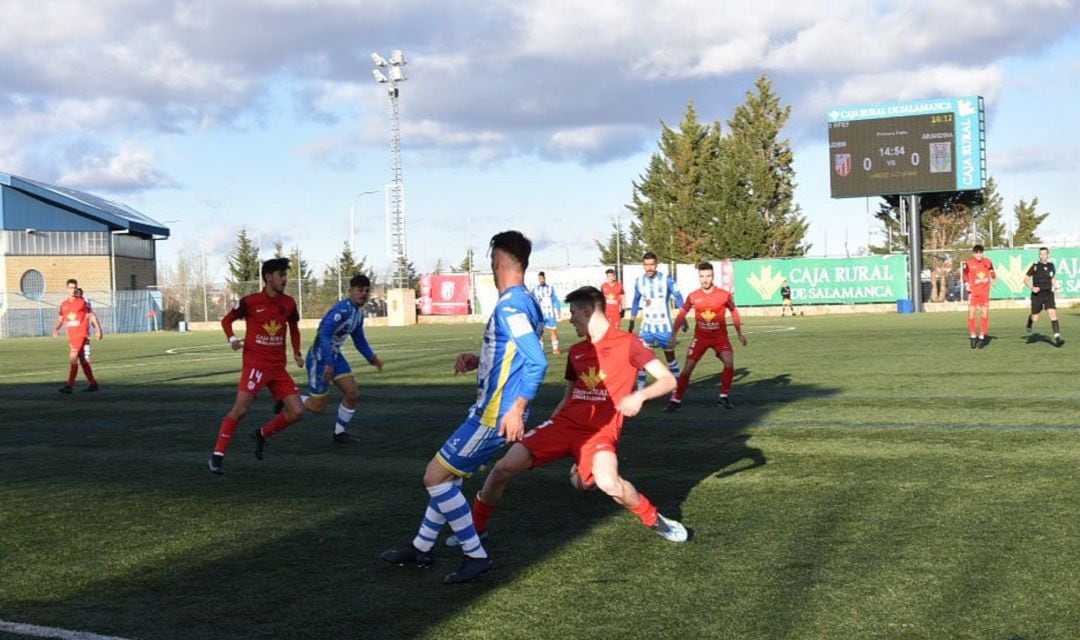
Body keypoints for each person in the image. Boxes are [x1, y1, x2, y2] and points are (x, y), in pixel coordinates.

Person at [451, 285, 687, 549]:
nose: (570, 318)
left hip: (600, 431)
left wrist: (640, 396)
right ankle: (475, 530)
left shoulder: (628, 343)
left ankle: (655, 520)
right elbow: (568, 397)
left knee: (609, 483)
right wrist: (548, 426)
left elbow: (669, 380)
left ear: (588, 311)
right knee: (502, 468)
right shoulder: (576, 352)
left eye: (574, 312)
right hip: (563, 425)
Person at [380, 231, 548, 585]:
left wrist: (517, 409)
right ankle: (422, 546)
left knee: (434, 476)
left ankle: (476, 556)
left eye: (491, 259)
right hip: (493, 409)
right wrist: (479, 360)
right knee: (448, 477)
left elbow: (537, 361)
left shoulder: (511, 305)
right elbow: (516, 355)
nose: (490, 264)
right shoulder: (526, 302)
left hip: (494, 415)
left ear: (500, 260)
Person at [208, 258, 305, 475]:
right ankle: (217, 456)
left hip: (278, 368)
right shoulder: (250, 302)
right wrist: (232, 339)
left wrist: (297, 352)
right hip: (256, 364)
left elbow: (294, 328)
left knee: (297, 411)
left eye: (285, 275)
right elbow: (226, 321)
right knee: (240, 409)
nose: (285, 279)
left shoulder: (289, 303)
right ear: (268, 277)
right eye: (281, 275)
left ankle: (262, 434)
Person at [297, 273, 384, 443]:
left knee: (352, 393)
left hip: (335, 356)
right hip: (320, 358)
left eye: (366, 290)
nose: (363, 294)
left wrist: (372, 359)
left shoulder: (358, 313)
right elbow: (323, 335)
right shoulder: (342, 310)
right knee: (317, 407)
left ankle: (339, 433)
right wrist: (328, 363)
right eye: (359, 290)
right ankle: (289, 398)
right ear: (351, 290)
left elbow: (359, 339)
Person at [664, 262, 746, 412]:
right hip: (700, 338)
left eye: (708, 276)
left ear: (713, 276)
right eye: (702, 276)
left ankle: (723, 397)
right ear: (699, 277)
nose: (705, 279)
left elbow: (734, 311)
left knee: (729, 362)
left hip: (720, 337)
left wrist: (739, 332)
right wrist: (673, 335)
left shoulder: (723, 295)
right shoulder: (694, 296)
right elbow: (682, 313)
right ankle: (676, 400)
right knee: (688, 368)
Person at [627, 252, 685, 390]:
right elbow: (635, 301)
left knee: (670, 357)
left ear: (656, 264)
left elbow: (678, 296)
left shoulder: (667, 280)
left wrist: (683, 316)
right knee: (642, 358)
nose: (649, 268)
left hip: (664, 328)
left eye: (652, 264)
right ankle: (641, 390)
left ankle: (678, 388)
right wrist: (632, 320)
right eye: (646, 265)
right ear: (643, 265)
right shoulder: (639, 282)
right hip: (647, 327)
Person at [52, 279, 103, 393]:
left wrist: (98, 330)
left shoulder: (82, 302)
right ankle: (93, 384)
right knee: (83, 360)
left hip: (81, 334)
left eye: (75, 287)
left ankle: (69, 386)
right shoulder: (63, 305)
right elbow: (60, 319)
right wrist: (56, 329)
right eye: (71, 287)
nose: (73, 290)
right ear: (67, 289)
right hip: (71, 335)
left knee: (73, 358)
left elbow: (91, 315)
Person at [1025, 247, 1064, 347]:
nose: (1042, 256)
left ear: (1048, 254)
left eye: (1044, 254)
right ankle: (1030, 321)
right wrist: (1032, 287)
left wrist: (1056, 288)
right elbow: (1025, 279)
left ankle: (1057, 338)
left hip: (1048, 294)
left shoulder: (1051, 266)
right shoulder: (1035, 266)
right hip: (1037, 295)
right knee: (1035, 318)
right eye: (1041, 254)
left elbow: (1053, 278)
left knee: (1053, 313)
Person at [962, 244, 996, 349]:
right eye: (976, 253)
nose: (978, 255)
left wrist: (993, 279)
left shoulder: (988, 262)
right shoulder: (969, 263)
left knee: (984, 314)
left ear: (982, 253)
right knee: (971, 314)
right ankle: (973, 336)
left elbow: (992, 272)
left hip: (984, 293)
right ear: (973, 254)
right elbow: (965, 275)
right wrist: (967, 284)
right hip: (973, 293)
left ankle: (981, 337)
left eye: (980, 253)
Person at [531, 271, 562, 354]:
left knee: (553, 331)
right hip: (541, 314)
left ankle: (555, 349)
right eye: (539, 279)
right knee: (541, 332)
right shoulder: (535, 289)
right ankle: (541, 350)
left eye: (542, 278)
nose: (541, 280)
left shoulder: (550, 288)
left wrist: (558, 310)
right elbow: (531, 300)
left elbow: (555, 300)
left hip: (550, 313)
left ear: (545, 278)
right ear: (538, 279)